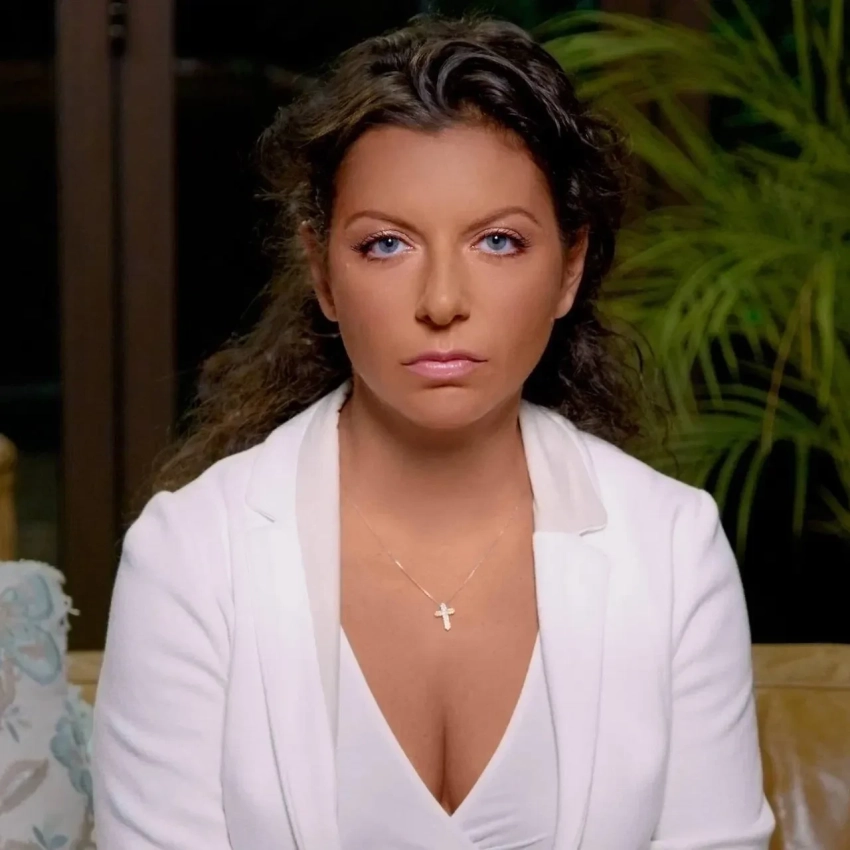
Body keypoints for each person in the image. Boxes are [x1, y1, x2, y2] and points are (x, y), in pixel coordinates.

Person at [91, 15, 774, 850]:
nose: (443, 301)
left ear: (568, 269)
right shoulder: (192, 555)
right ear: (322, 272)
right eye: (387, 244)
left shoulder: (671, 548)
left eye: (498, 241)